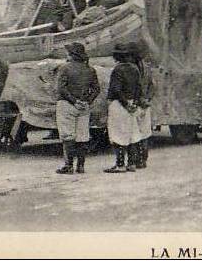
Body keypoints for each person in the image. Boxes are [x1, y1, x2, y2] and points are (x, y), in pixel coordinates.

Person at [54, 43, 100, 174]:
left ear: (71, 55)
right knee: (82, 136)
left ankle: (68, 166)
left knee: (68, 136)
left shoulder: (65, 68)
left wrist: (74, 101)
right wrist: (86, 101)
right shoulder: (90, 70)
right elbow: (96, 89)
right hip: (84, 107)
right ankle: (81, 166)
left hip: (67, 105)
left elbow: (61, 89)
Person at [105, 43, 141, 173]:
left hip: (119, 104)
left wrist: (125, 104)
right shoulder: (135, 69)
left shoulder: (117, 70)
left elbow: (116, 89)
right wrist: (134, 104)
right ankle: (131, 164)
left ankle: (120, 164)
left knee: (118, 134)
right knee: (132, 133)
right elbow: (138, 88)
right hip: (132, 103)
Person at [129, 42, 154, 169]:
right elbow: (152, 87)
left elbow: (133, 88)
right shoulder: (147, 68)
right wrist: (147, 99)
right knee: (144, 134)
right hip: (145, 105)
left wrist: (138, 100)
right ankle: (143, 160)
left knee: (134, 134)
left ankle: (134, 160)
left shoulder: (132, 68)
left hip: (135, 104)